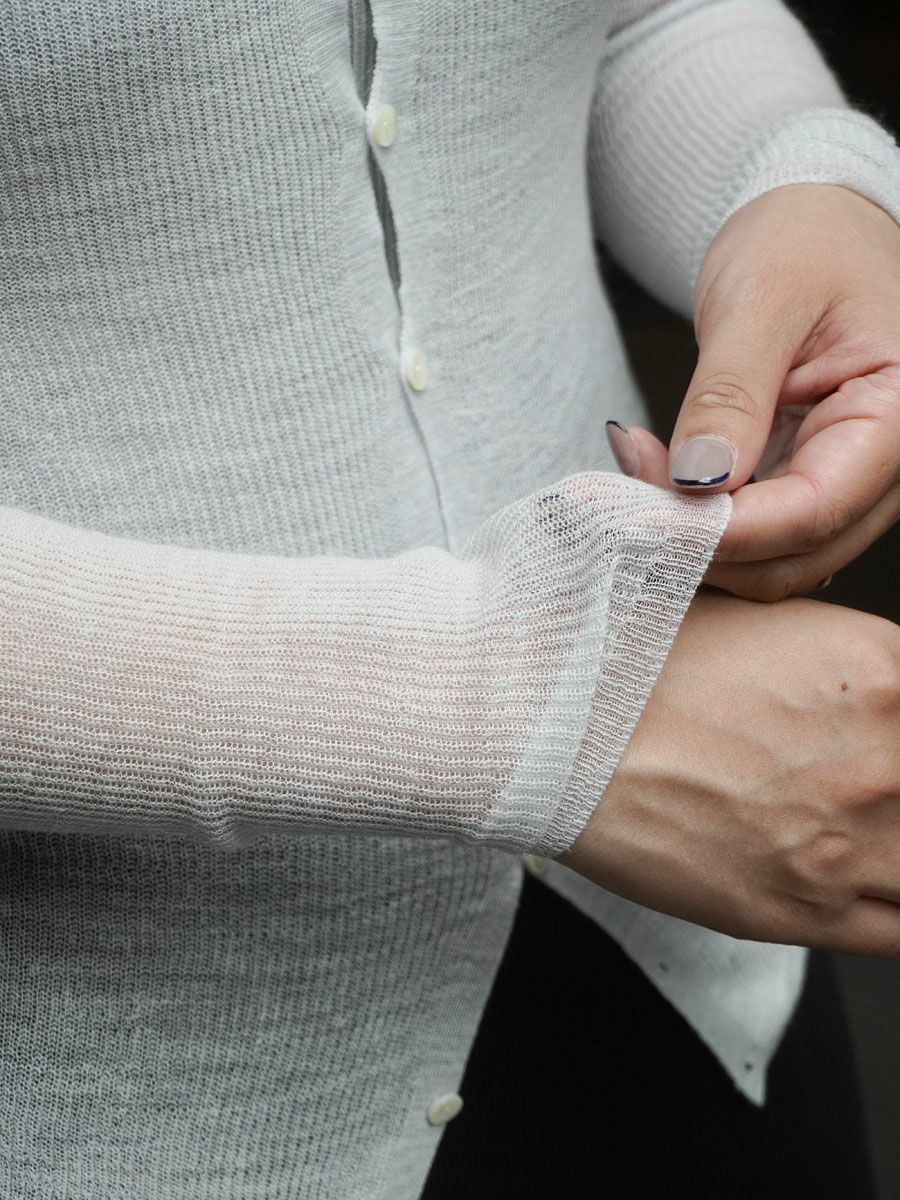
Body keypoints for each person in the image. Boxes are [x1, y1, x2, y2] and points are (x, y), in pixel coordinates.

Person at [0, 1, 898, 1197]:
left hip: (701, 913)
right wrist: (531, 713)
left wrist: (812, 192)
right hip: (144, 1080)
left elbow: (649, 16)